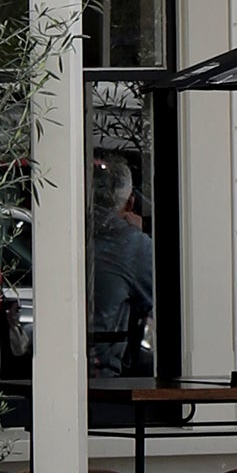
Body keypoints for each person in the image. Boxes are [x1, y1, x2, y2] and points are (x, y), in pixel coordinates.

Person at [87, 152, 155, 378]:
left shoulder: (69, 234)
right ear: (130, 202)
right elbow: (164, 302)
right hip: (104, 376)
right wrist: (136, 234)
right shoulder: (133, 246)